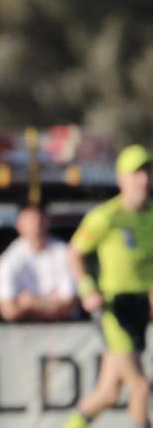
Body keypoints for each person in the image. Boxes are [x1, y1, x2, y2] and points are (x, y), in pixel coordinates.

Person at [63, 144, 153, 428]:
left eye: (147, 172)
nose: (144, 179)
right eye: (136, 173)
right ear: (121, 179)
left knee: (108, 393)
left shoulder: (150, 217)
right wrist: (87, 288)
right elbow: (74, 253)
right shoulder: (107, 216)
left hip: (138, 307)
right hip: (113, 307)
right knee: (140, 386)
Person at [0, 202, 77, 322]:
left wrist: (29, 303)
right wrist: (52, 303)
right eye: (30, 220)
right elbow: (8, 311)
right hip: (24, 332)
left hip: (67, 329)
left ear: (48, 222)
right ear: (19, 224)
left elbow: (70, 305)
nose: (36, 224)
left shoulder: (65, 253)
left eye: (40, 219)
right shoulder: (8, 260)